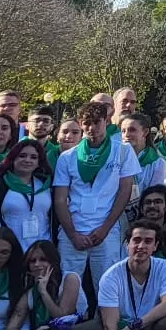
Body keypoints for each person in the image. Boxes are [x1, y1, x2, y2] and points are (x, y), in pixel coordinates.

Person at [51, 101, 140, 291]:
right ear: (80, 124)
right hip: (73, 231)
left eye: (96, 122)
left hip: (106, 231)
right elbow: (59, 199)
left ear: (106, 121)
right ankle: (69, 320)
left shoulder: (123, 152)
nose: (91, 128)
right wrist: (73, 234)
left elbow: (124, 192)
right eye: (86, 123)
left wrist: (105, 228)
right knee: (68, 286)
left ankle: (106, 321)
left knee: (107, 286)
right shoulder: (67, 157)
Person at [0, 138, 53, 251]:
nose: (27, 160)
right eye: (22, 155)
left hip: (40, 256)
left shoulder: (46, 186)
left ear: (39, 162)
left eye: (33, 157)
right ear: (12, 158)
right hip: (7, 255)